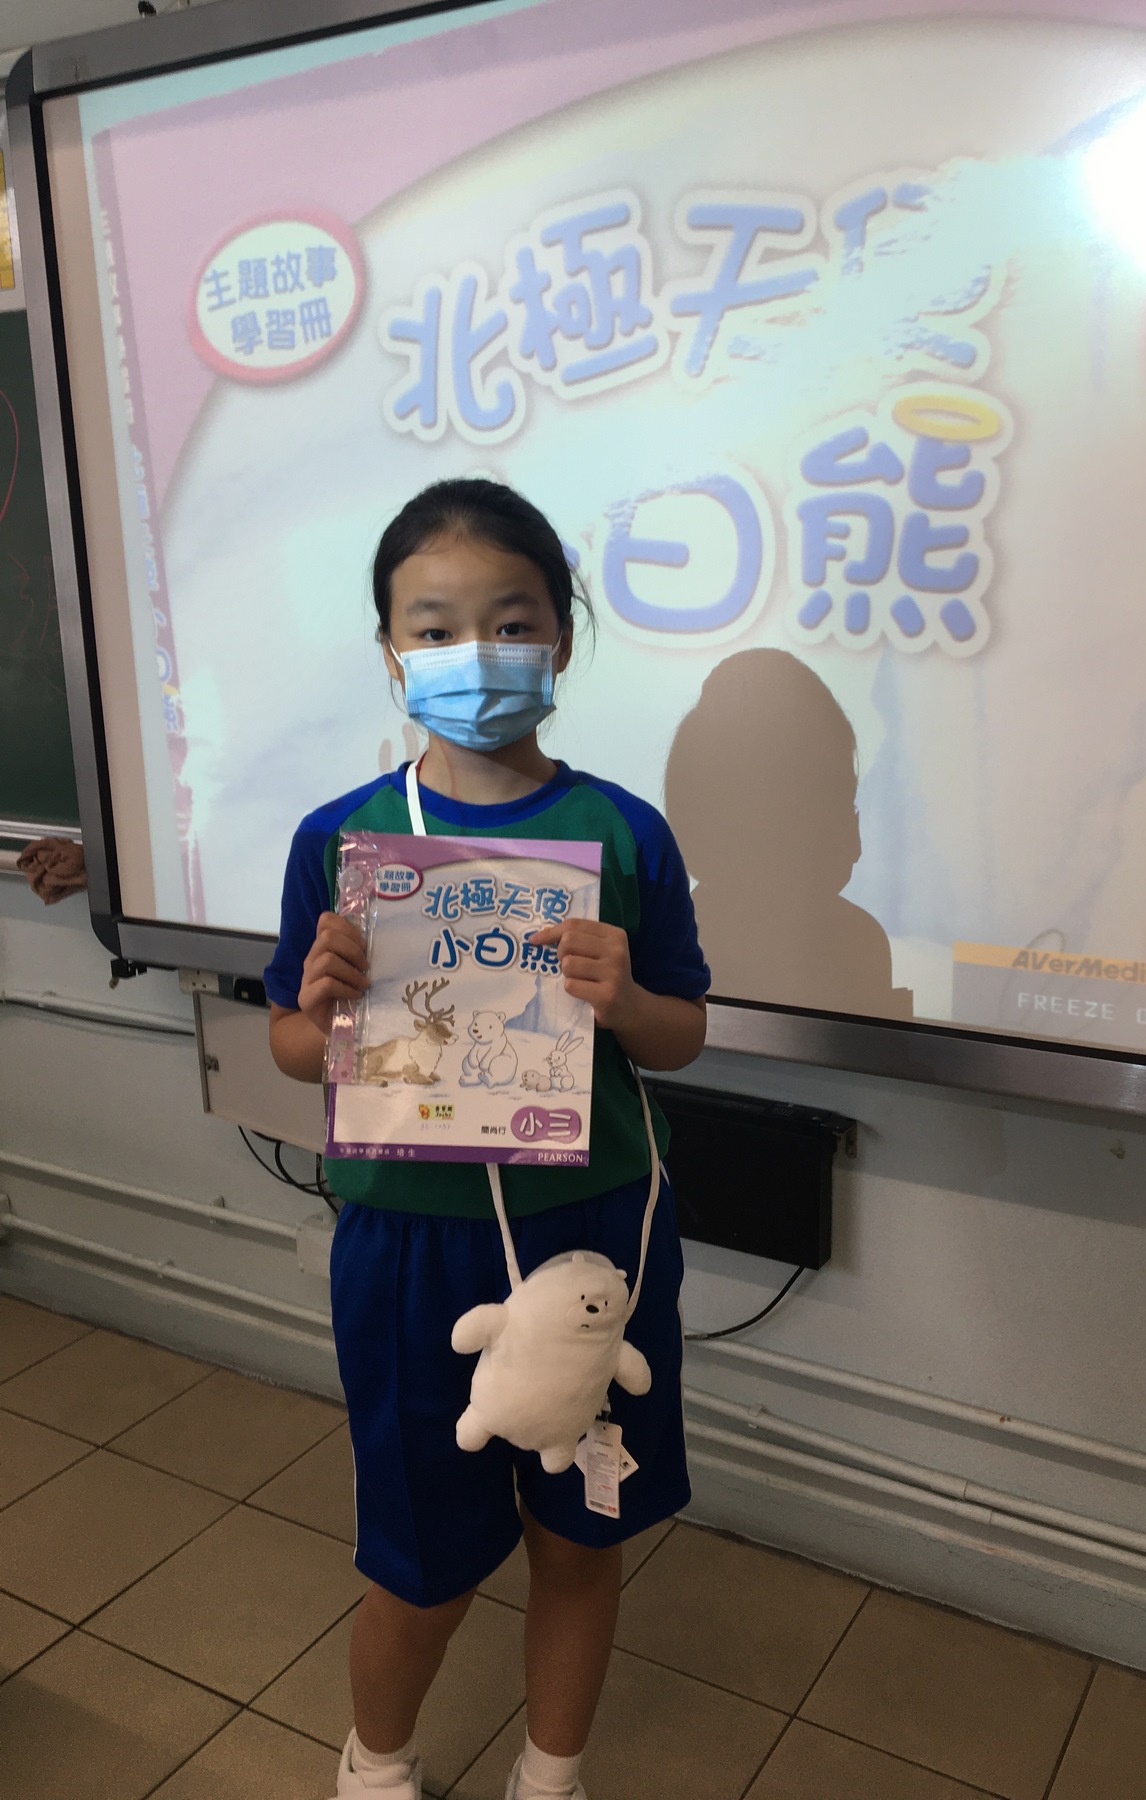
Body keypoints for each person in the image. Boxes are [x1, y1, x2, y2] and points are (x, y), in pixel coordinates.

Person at [264, 479, 710, 1800]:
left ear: (560, 637)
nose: (476, 655)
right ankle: (377, 1765)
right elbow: (291, 1048)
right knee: (421, 1559)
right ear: (392, 651)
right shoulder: (342, 841)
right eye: (436, 628)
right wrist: (321, 1013)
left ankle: (550, 1775)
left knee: (582, 1534)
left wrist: (624, 1002)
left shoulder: (620, 831)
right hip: (410, 1244)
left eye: (510, 623)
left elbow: (682, 1033)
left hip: (597, 1236)